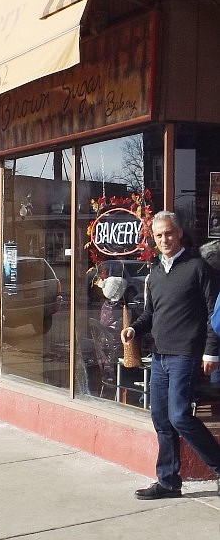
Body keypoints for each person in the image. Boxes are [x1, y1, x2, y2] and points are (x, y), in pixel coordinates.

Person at [121, 210, 220, 500]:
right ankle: (167, 482)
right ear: (154, 239)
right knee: (161, 420)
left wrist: (211, 352)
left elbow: (215, 313)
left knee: (178, 417)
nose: (165, 239)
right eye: (159, 235)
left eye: (169, 233)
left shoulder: (198, 267)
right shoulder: (154, 274)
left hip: (187, 356)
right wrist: (134, 331)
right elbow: (151, 314)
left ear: (179, 233)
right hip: (160, 356)